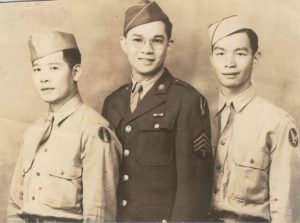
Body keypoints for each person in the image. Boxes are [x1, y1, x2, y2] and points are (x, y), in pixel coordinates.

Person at [102, 0, 213, 222]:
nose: (147, 50)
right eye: (138, 40)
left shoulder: (187, 101)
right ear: (123, 43)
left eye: (157, 41)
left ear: (169, 45)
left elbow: (193, 191)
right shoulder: (112, 102)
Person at [7, 31, 122, 222]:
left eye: (53, 68)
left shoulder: (93, 130)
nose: (43, 78)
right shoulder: (33, 131)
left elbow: (98, 215)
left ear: (75, 72)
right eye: (37, 69)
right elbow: (15, 206)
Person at [208, 15, 300, 223]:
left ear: (255, 57)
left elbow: (285, 209)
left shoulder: (277, 122)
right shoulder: (198, 113)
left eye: (240, 53)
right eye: (220, 53)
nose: (229, 63)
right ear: (211, 58)